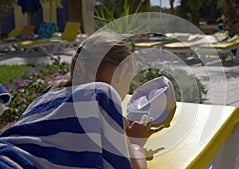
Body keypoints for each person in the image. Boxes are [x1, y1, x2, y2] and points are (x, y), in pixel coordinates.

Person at [0, 30, 164, 169]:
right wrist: (135, 142)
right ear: (122, 71)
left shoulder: (45, 97)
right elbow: (131, 166)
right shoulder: (102, 93)